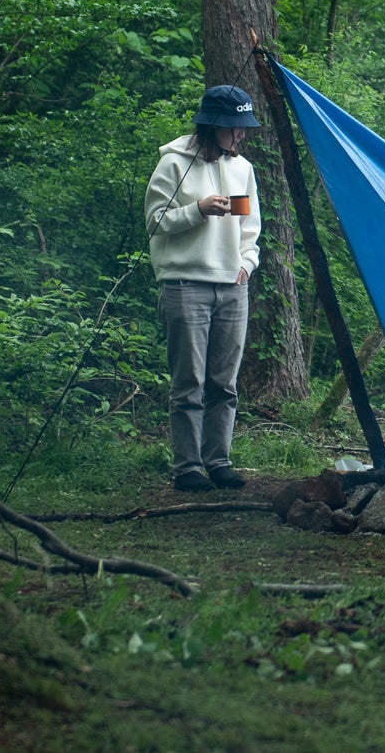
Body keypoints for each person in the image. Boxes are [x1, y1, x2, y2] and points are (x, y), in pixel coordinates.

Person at [144, 84, 262, 492]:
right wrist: (197, 210)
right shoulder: (173, 166)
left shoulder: (242, 169)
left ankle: (219, 461)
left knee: (224, 383)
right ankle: (188, 467)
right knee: (189, 382)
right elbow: (156, 222)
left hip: (233, 287)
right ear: (214, 126)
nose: (241, 135)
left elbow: (249, 227)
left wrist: (247, 264)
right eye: (235, 128)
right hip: (184, 285)